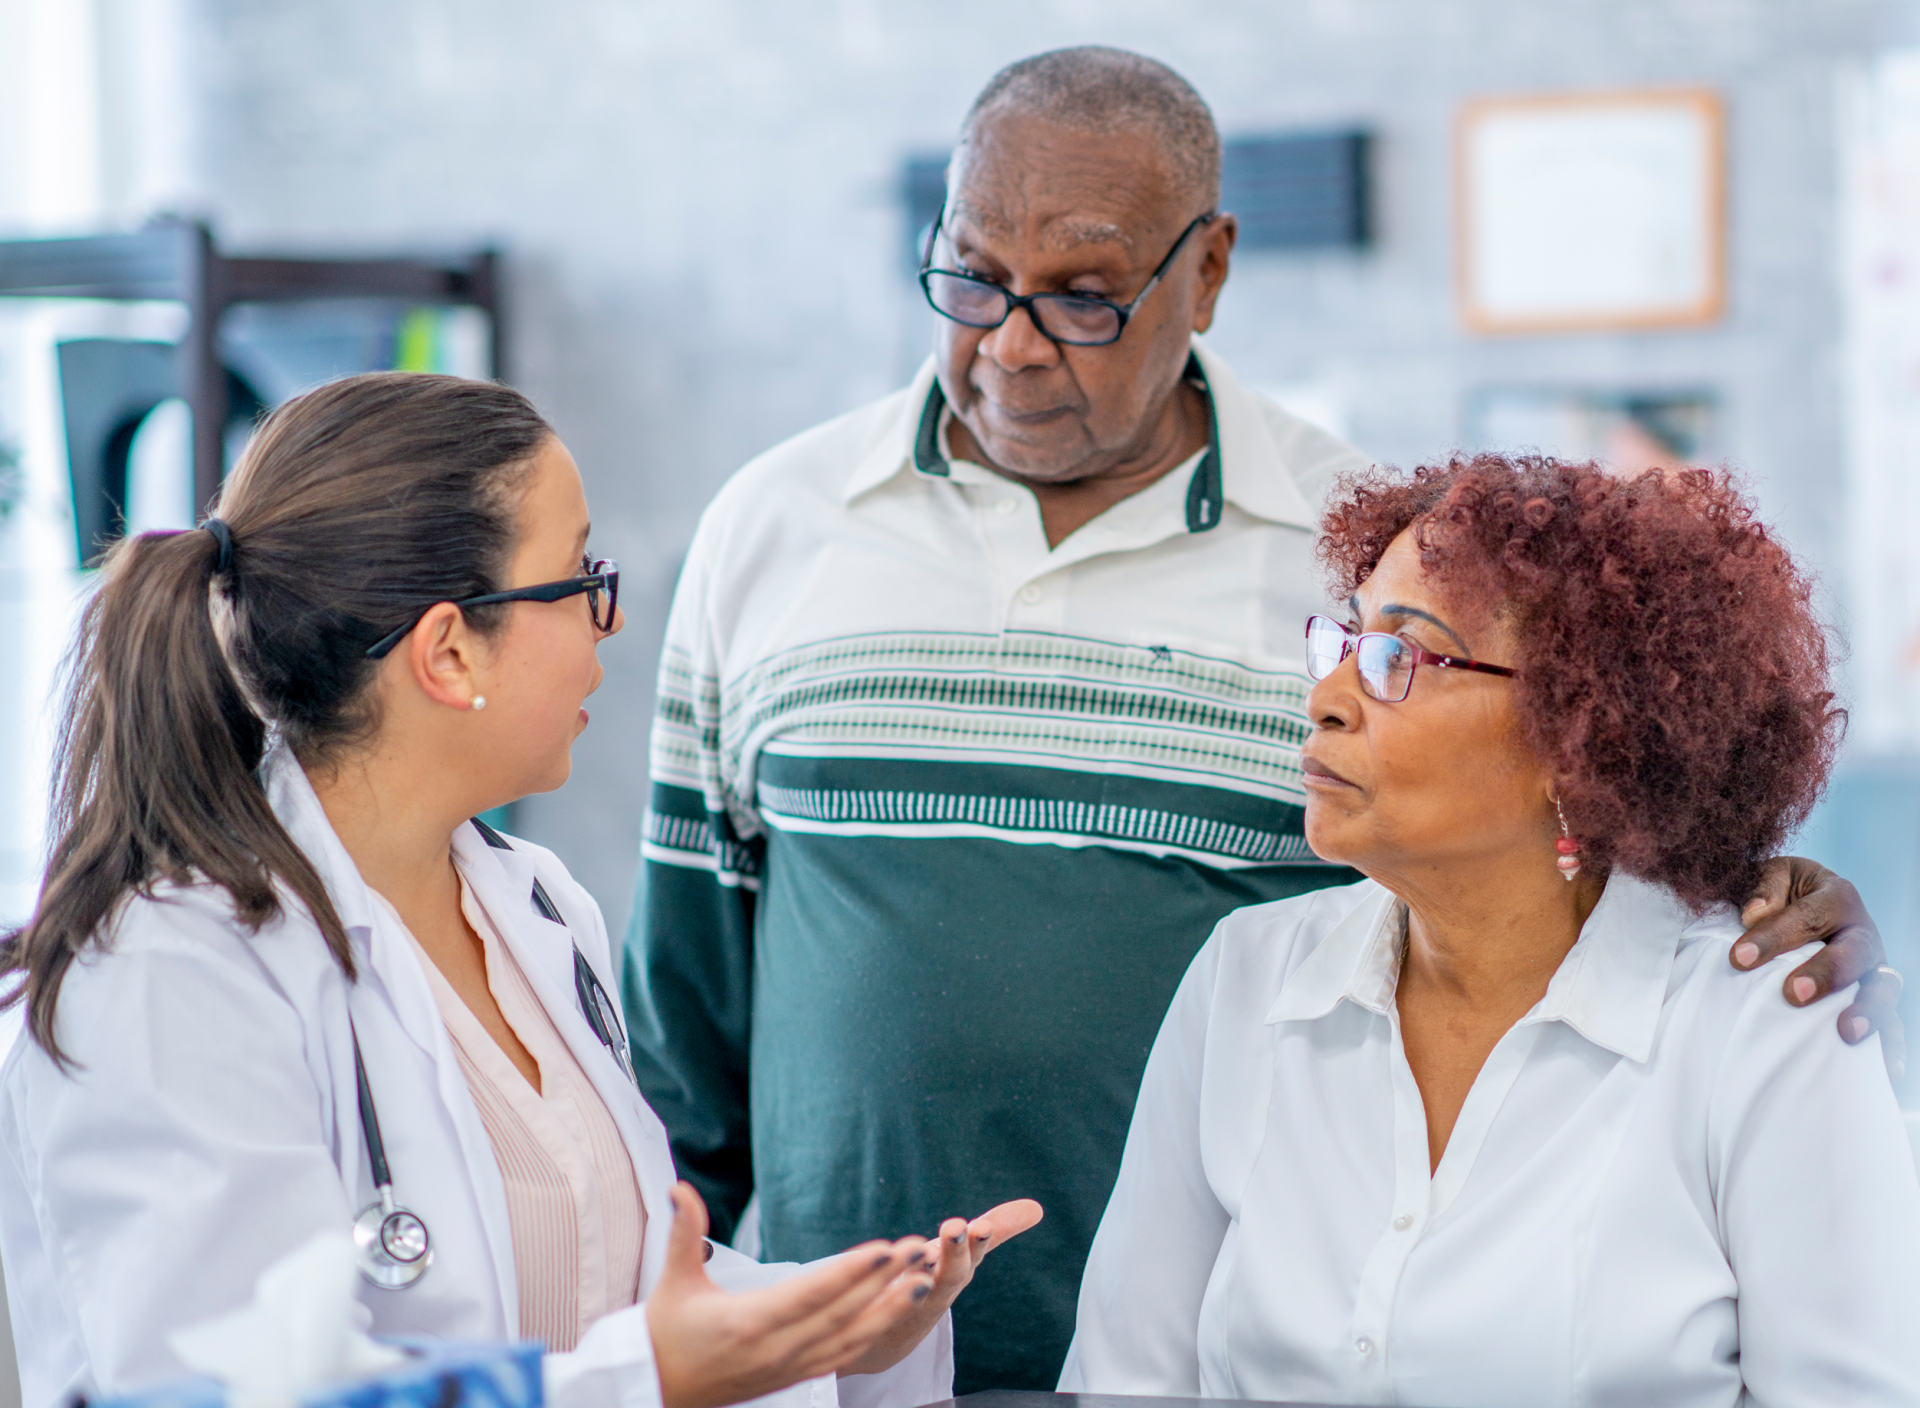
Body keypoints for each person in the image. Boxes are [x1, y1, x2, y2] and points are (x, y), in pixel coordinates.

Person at [622, 46, 1902, 1391]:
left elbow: (1568, 846)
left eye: (1083, 297)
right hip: (839, 1369)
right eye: (972, 276)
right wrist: (642, 1356)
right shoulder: (769, 528)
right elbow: (677, 1039)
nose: (1010, 343)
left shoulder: (1355, 546)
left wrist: (1758, 894)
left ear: (1209, 271)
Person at [0, 373, 1038, 1408]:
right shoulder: (166, 972)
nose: (606, 618)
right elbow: (232, 1392)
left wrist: (825, 1328)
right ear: (450, 652)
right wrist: (656, 1378)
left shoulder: (533, 908)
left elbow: (596, 1286)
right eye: (579, 577)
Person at [1060, 455, 1920, 1406]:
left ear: (1581, 739)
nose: (1326, 696)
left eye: (1399, 657)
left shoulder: (1771, 1025)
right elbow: (1126, 1383)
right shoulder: (1244, 978)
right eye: (1346, 640)